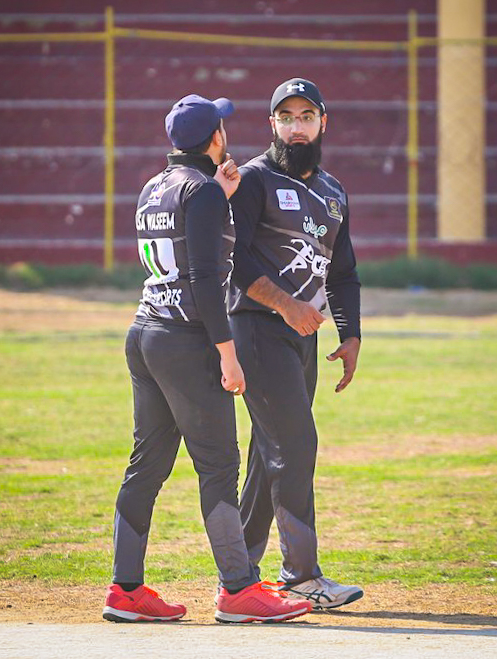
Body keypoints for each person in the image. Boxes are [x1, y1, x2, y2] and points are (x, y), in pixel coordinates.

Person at [103, 94, 312, 624]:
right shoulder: (202, 192)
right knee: (219, 465)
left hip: (146, 332)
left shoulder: (156, 186)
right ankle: (238, 590)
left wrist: (219, 193)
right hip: (187, 340)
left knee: (147, 465)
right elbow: (202, 276)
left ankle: (125, 590)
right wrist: (227, 354)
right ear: (216, 138)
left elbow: (186, 237)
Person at [227, 78, 363, 610]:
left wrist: (350, 334)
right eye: (286, 117)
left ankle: (238, 575)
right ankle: (301, 578)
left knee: (272, 454)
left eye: (306, 116)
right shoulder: (253, 180)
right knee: (296, 445)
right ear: (273, 125)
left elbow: (342, 271)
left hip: (302, 336)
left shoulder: (333, 191)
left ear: (323, 122)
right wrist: (286, 305)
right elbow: (234, 259)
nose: (296, 126)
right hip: (258, 328)